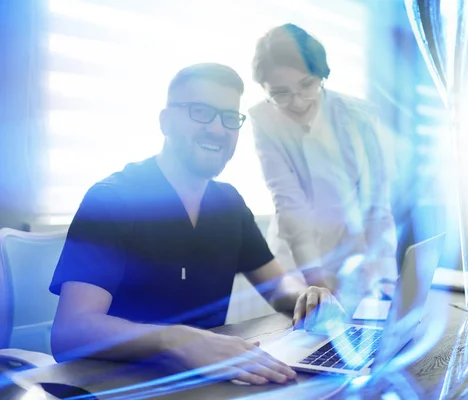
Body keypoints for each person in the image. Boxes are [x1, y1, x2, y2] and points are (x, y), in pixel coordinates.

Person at [49, 63, 343, 386]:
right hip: (118, 385)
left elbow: (277, 288)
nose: (217, 129)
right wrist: (177, 340)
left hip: (206, 384)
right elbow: (70, 332)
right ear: (165, 121)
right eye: (200, 112)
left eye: (229, 118)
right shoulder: (113, 199)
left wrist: (309, 296)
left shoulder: (229, 203)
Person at [249, 24, 398, 306]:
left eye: (307, 85)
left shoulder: (359, 117)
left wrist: (385, 276)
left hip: (355, 253)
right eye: (280, 92)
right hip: (294, 258)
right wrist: (316, 284)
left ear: (322, 74)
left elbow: (377, 206)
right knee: (303, 338)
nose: (297, 101)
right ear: (264, 88)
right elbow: (288, 201)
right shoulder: (263, 119)